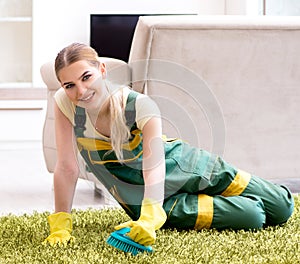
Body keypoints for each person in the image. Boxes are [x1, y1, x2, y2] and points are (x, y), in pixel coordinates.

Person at [43, 42, 294, 247]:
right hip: (149, 199)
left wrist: (151, 212)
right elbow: (66, 167)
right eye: (70, 85)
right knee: (254, 216)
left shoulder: (140, 105)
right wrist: (61, 223)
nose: (81, 91)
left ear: (103, 70)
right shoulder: (65, 104)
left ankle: (234, 193)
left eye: (87, 77)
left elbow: (154, 164)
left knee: (282, 207)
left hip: (187, 167)